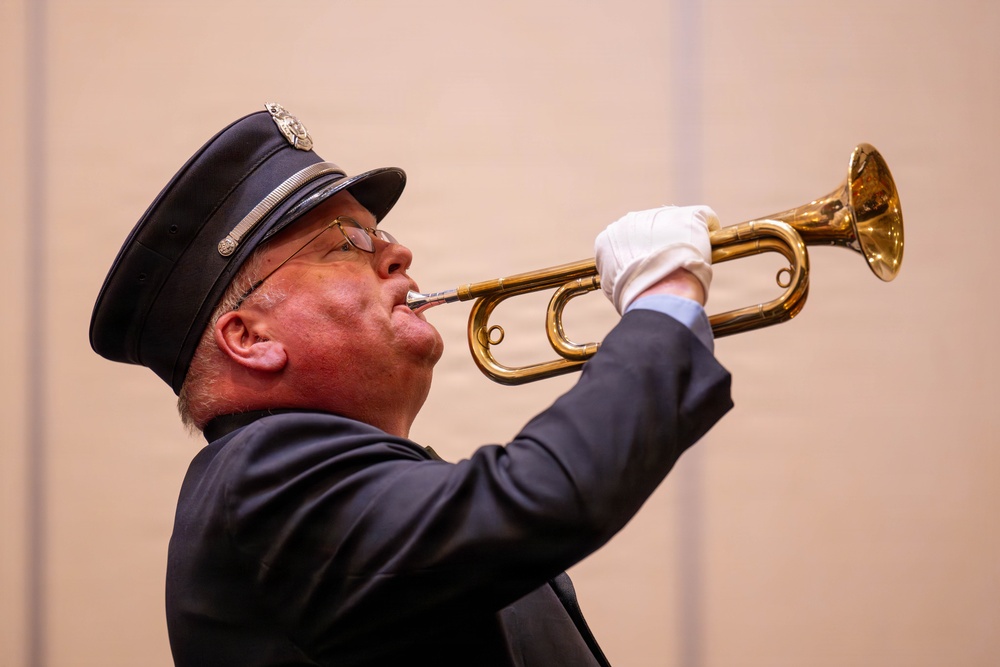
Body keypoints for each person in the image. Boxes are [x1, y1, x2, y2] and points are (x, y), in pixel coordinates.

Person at [90, 103, 733, 667]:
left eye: (383, 235)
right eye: (346, 245)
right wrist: (662, 304)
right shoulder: (266, 477)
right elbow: (540, 497)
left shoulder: (331, 483)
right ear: (250, 338)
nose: (398, 256)